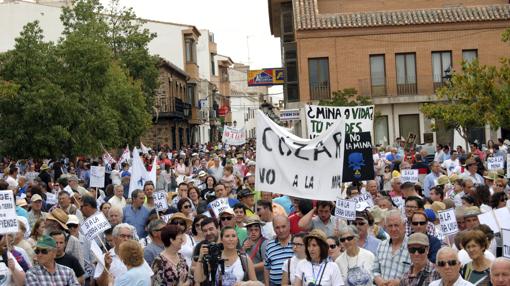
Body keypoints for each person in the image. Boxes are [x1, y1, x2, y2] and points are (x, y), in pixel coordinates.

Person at [373, 210, 411, 286]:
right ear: (386, 227)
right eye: (390, 226)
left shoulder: (413, 247)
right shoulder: (382, 245)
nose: (393, 229)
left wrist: (400, 282)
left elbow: (417, 274)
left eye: (396, 225)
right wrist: (378, 279)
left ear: (404, 226)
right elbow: (375, 269)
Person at [263, 215, 294, 286]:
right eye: (277, 227)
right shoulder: (269, 245)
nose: (281, 230)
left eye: (283, 226)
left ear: (289, 226)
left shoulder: (297, 243)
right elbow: (266, 267)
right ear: (273, 229)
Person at [241, 215, 266, 281]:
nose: (253, 232)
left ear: (260, 230)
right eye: (251, 230)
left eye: (256, 230)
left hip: (260, 281)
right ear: (247, 230)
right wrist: (243, 249)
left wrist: (250, 268)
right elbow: (240, 260)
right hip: (247, 281)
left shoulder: (264, 243)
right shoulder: (245, 241)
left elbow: (266, 263)